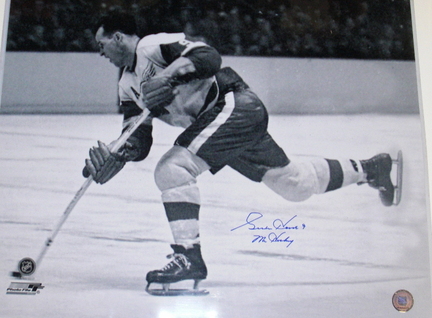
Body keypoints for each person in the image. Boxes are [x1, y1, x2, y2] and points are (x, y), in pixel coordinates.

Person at [84, 12, 400, 295]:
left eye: (101, 45)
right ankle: (373, 168)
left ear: (118, 38)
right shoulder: (127, 85)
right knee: (295, 184)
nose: (100, 53)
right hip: (224, 123)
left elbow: (208, 57)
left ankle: (188, 258)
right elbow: (138, 138)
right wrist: (120, 152)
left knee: (172, 169)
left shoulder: (152, 46)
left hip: (231, 104)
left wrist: (167, 77)